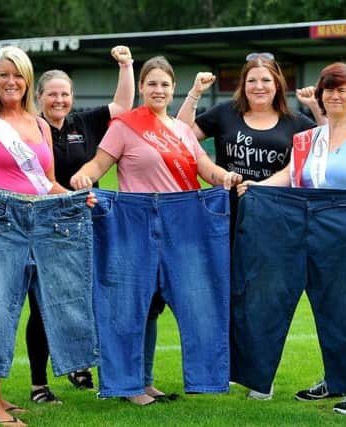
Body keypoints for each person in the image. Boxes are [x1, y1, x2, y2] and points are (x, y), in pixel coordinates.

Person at [236, 62, 346, 414]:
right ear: (320, 95)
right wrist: (256, 187)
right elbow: (290, 174)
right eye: (329, 90)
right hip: (305, 224)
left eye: (343, 90)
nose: (335, 96)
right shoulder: (308, 137)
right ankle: (336, 380)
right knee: (323, 306)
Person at [70, 56, 242, 406]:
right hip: (132, 220)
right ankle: (128, 386)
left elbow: (204, 167)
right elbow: (99, 163)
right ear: (143, 88)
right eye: (152, 84)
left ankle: (148, 381)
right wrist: (84, 175)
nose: (158, 90)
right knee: (129, 304)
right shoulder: (124, 126)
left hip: (184, 220)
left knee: (165, 305)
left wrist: (223, 176)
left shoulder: (181, 129)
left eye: (165, 84)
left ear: (172, 88)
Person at [0, 45, 135, 402]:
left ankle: (77, 363)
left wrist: (126, 65)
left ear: (72, 97)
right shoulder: (28, 127)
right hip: (24, 221)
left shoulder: (82, 122)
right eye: (52, 94)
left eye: (65, 94)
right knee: (38, 303)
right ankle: (38, 383)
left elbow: (122, 107)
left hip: (74, 222)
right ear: (38, 96)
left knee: (78, 297)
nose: (59, 100)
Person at [0, 46, 96, 427]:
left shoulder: (39, 123)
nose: (10, 82)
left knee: (51, 304)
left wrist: (77, 198)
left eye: (17, 75)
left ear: (28, 79)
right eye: (3, 75)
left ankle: (0, 397)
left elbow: (46, 182)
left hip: (42, 222)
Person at [177, 52, 324, 400]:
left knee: (263, 298)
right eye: (252, 80)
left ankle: (261, 377)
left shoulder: (297, 123)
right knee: (223, 294)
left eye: (266, 80)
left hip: (273, 221)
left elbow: (321, 151)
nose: (259, 86)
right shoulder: (225, 114)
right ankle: (223, 371)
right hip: (223, 218)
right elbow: (180, 135)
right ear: (244, 84)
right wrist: (195, 93)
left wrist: (315, 108)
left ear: (277, 85)